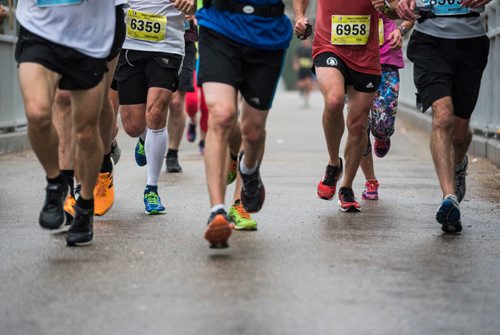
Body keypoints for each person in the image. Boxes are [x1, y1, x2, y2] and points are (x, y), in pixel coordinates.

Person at [15, 0, 116, 246]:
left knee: (85, 132)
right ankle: (55, 183)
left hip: (88, 35)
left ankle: (84, 205)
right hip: (38, 25)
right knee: (37, 114)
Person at [197, 0, 292, 248]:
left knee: (252, 130)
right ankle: (217, 211)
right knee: (222, 115)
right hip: (219, 24)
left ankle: (248, 170)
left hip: (267, 32)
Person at [396, 0, 490, 233]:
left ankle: (458, 166)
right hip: (429, 39)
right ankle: (449, 197)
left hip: (471, 41)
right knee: (443, 116)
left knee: (459, 134)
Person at [294, 0, 382, 212]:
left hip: (365, 53)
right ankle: (334, 164)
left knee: (359, 125)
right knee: (334, 101)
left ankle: (347, 187)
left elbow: (399, 7)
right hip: (329, 45)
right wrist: (299, 16)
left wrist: (390, 7)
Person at [116, 0, 195, 215]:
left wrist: (191, 3)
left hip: (167, 45)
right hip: (129, 45)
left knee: (157, 113)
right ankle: (144, 138)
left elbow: (196, 7)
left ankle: (151, 188)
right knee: (132, 126)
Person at [55, 0, 127, 222]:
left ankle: (104, 164)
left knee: (98, 97)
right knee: (63, 96)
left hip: (105, 12)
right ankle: (67, 190)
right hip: (62, 9)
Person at [359, 14, 414, 200]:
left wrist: (400, 30)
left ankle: (382, 135)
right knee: (358, 125)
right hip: (356, 61)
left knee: (382, 124)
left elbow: (412, 13)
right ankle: (370, 181)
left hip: (387, 60)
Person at [165, 16, 199, 173]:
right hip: (153, 40)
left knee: (177, 102)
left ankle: (172, 153)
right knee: (158, 99)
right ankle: (148, 138)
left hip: (185, 38)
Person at [185, 70, 209, 154]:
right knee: (191, 101)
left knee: (206, 107)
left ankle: (203, 140)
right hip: (193, 64)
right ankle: (192, 120)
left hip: (208, 65)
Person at [293, 39, 315, 107]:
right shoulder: (299, 49)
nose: (305, 42)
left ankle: (306, 99)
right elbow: (295, 57)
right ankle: (301, 90)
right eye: (304, 41)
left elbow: (314, 58)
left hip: (308, 69)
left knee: (308, 83)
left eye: (307, 41)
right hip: (301, 69)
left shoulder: (311, 49)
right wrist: (295, 64)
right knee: (300, 84)